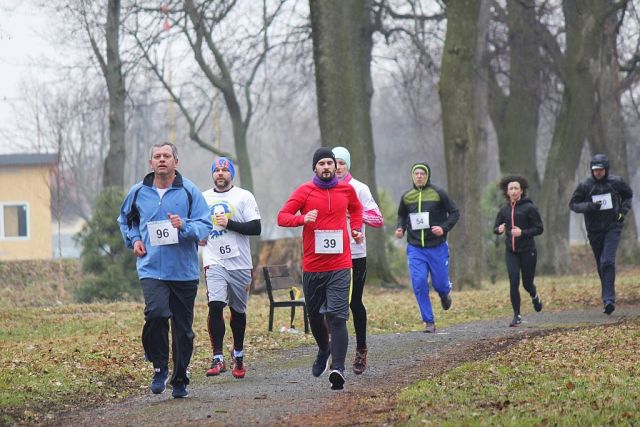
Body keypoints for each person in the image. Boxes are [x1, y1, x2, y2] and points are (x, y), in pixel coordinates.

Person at [118, 142, 212, 398]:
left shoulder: (189, 191)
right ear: (151, 162)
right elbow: (126, 220)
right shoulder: (138, 192)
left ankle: (179, 378)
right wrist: (134, 240)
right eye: (157, 156)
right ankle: (159, 367)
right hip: (151, 268)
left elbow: (205, 226)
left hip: (183, 271)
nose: (162, 159)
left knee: (183, 331)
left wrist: (184, 225)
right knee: (156, 314)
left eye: (167, 156)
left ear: (175, 162)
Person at [277, 147, 363, 390]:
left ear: (336, 166)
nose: (326, 167)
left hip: (340, 264)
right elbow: (282, 217)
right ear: (314, 167)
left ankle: (338, 369)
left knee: (338, 316)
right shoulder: (304, 191)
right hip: (313, 267)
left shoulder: (346, 190)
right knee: (315, 316)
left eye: (330, 163)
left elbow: (356, 209)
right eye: (322, 164)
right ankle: (324, 349)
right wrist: (302, 219)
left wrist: (356, 228)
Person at [199, 157, 261, 379]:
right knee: (215, 305)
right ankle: (218, 357)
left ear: (231, 174)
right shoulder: (203, 198)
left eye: (225, 170)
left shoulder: (244, 196)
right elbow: (197, 224)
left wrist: (229, 223)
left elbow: (256, 227)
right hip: (214, 260)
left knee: (238, 311)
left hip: (240, 263)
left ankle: (239, 354)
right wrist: (199, 235)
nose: (220, 173)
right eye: (216, 170)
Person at [332, 146, 383, 375]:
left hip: (355, 255)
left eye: (342, 163)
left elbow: (378, 219)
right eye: (335, 162)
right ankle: (336, 353)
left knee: (354, 303)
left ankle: (361, 348)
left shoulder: (359, 188)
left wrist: (354, 214)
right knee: (333, 306)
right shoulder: (325, 189)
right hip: (331, 255)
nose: (338, 167)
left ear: (348, 165)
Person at [395, 162, 459, 333]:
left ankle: (444, 294)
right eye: (416, 173)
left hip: (437, 246)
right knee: (419, 282)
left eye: (422, 173)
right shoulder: (407, 196)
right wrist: (400, 228)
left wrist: (443, 228)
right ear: (412, 176)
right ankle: (429, 321)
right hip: (415, 248)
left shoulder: (438, 193)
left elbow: (454, 213)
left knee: (440, 284)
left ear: (427, 176)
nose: (419, 176)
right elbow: (402, 215)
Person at [569, 154, 633, 315]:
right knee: (601, 264)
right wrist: (590, 206)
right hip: (594, 230)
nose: (598, 173)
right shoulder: (585, 185)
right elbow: (574, 204)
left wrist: (622, 212)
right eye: (595, 170)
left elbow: (628, 195)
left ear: (606, 169)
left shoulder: (616, 182)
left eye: (601, 170)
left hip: (613, 227)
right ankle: (607, 299)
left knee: (607, 261)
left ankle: (610, 300)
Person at [493, 175, 544, 327]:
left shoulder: (529, 208)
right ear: (507, 192)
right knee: (514, 281)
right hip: (511, 252)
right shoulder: (504, 210)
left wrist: (523, 233)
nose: (514, 191)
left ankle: (534, 295)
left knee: (527, 284)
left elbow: (539, 228)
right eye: (511, 189)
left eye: (516, 188)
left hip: (528, 251)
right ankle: (517, 315)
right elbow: (495, 227)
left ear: (521, 191)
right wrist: (499, 229)